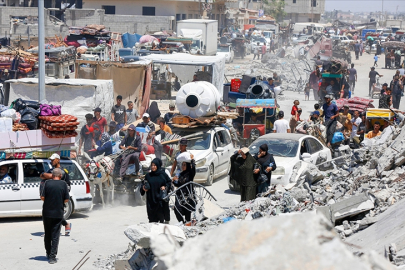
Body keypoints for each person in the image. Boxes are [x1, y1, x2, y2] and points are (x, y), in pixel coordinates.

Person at [40, 168, 69, 264]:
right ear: (60, 176)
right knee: (55, 235)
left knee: (47, 234)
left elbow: (42, 197)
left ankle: (48, 253)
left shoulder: (47, 183)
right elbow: (66, 200)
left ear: (52, 175)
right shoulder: (64, 184)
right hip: (58, 213)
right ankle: (52, 257)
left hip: (47, 213)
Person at [40, 154, 71, 235]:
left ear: (58, 160)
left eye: (53, 159)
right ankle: (63, 225)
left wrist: (46, 175)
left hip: (60, 195)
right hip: (50, 194)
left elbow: (50, 176)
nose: (51, 161)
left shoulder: (62, 171)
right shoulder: (51, 170)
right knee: (53, 212)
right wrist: (45, 175)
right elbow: (42, 175)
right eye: (51, 160)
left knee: (57, 212)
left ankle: (65, 225)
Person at [140, 158, 171, 223]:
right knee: (152, 220)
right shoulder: (148, 175)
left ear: (158, 166)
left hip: (160, 201)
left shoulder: (162, 174)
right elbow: (143, 183)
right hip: (151, 201)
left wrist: (165, 187)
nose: (153, 167)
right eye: (152, 165)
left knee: (161, 220)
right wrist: (143, 188)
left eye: (154, 165)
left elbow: (169, 182)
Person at [172, 156, 196, 223]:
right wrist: (174, 181)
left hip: (187, 195)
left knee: (187, 212)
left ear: (187, 165)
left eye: (184, 165)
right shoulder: (180, 174)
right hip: (179, 195)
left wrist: (192, 161)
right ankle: (182, 223)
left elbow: (193, 170)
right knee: (176, 209)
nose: (182, 166)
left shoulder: (190, 175)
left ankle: (187, 224)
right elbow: (178, 184)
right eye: (182, 165)